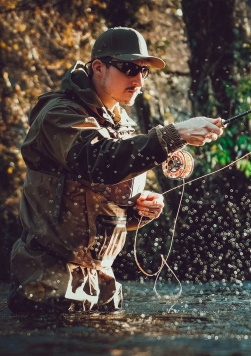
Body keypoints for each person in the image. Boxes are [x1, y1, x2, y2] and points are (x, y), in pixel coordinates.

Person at [7, 27, 223, 313]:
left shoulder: (122, 126)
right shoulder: (59, 115)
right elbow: (100, 161)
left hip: (102, 286)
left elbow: (104, 200)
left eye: (143, 71)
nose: (138, 79)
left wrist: (138, 210)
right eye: (129, 68)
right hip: (47, 282)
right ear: (99, 67)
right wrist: (175, 134)